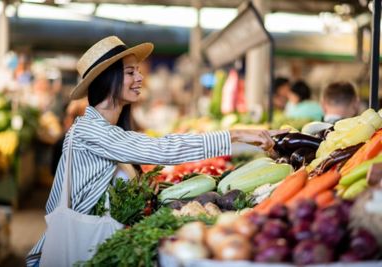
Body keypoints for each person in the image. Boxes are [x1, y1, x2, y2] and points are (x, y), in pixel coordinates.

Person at [26, 36, 281, 266]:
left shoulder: (112, 130)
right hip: (78, 253)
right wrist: (235, 134)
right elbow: (163, 149)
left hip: (98, 248)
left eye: (138, 71)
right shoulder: (89, 132)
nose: (139, 78)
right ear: (107, 79)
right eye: (130, 72)